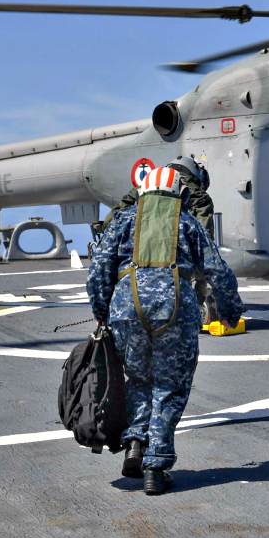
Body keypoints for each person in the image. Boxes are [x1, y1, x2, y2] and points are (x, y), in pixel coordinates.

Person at [86, 165, 245, 494]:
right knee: (170, 385)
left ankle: (134, 442)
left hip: (126, 307)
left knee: (139, 378)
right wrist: (230, 311)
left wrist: (103, 310)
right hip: (175, 307)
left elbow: (99, 268)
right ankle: (156, 466)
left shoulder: (124, 219)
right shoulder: (187, 222)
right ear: (178, 193)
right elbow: (218, 270)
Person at [166, 155, 219, 324]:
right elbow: (204, 236)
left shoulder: (158, 189)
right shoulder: (198, 195)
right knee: (201, 273)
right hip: (185, 253)